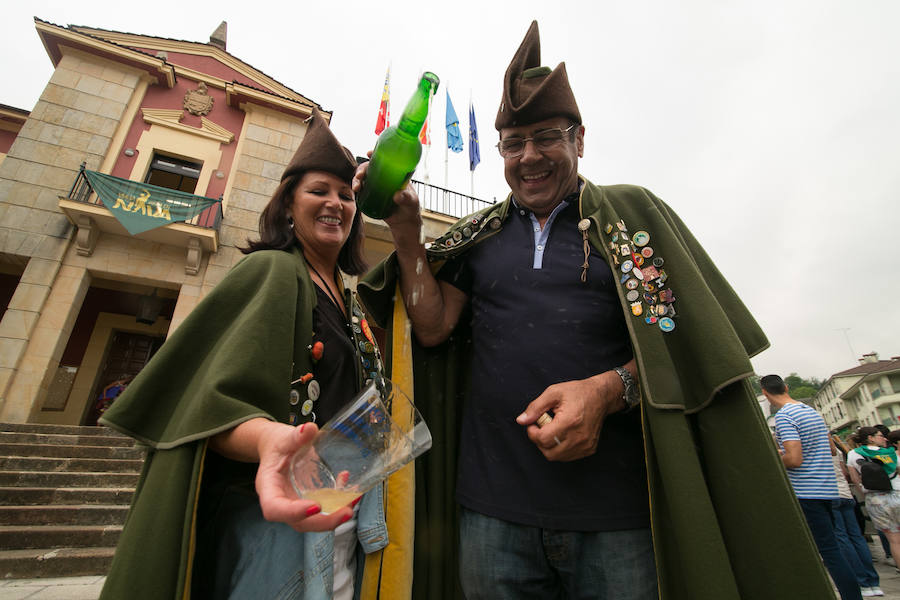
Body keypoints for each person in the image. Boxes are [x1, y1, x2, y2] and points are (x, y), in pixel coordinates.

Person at [355, 20, 834, 600]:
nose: (529, 156)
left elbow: (689, 351)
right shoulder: (477, 238)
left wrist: (609, 390)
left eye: (546, 138)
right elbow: (431, 329)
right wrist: (406, 235)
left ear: (579, 139)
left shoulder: (634, 219)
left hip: (621, 522)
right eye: (514, 143)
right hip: (491, 518)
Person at [99, 109, 412, 599]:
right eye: (319, 191)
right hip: (277, 534)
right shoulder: (271, 271)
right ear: (288, 206)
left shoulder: (348, 300)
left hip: (340, 523)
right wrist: (270, 440)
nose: (336, 203)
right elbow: (208, 403)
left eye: (346, 195)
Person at [762, 374, 863, 600]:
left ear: (766, 394)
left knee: (827, 552)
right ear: (786, 387)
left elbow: (794, 459)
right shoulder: (811, 411)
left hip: (806, 492)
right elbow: (831, 450)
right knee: (833, 548)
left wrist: (773, 457)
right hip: (827, 490)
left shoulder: (785, 416)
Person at [831, 436, 883, 596]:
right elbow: (845, 473)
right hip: (846, 494)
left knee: (842, 538)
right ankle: (873, 582)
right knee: (857, 537)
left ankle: (861, 582)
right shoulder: (836, 450)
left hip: (829, 494)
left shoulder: (809, 449)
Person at [847, 426, 900, 572]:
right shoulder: (890, 452)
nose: (884, 438)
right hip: (897, 493)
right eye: (880, 436)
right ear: (870, 438)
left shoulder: (853, 454)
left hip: (875, 499)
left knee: (894, 540)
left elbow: (855, 479)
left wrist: (865, 493)